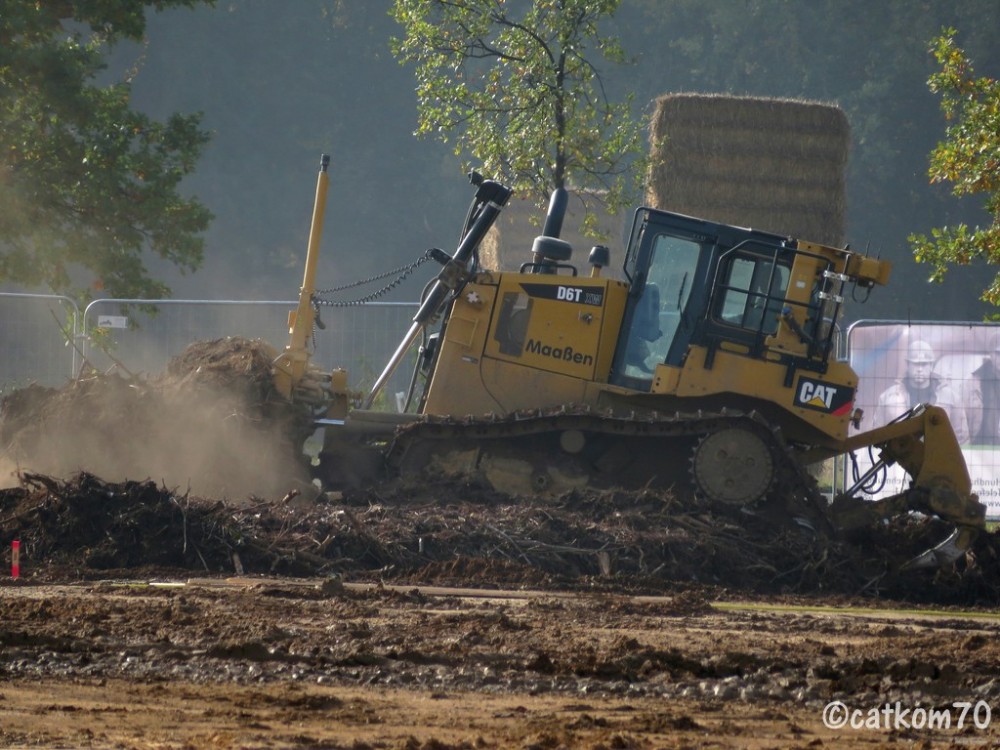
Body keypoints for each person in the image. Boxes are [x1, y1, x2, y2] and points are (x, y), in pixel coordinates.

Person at [872, 339, 968, 443]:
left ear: (931, 365)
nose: (919, 369)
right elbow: (877, 436)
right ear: (908, 365)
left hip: (938, 457)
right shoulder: (888, 397)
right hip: (901, 457)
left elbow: (961, 438)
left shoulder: (951, 397)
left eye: (924, 364)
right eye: (915, 364)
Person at [963, 338, 1000, 445]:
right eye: (998, 353)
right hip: (980, 447)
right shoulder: (972, 383)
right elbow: (962, 420)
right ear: (991, 354)